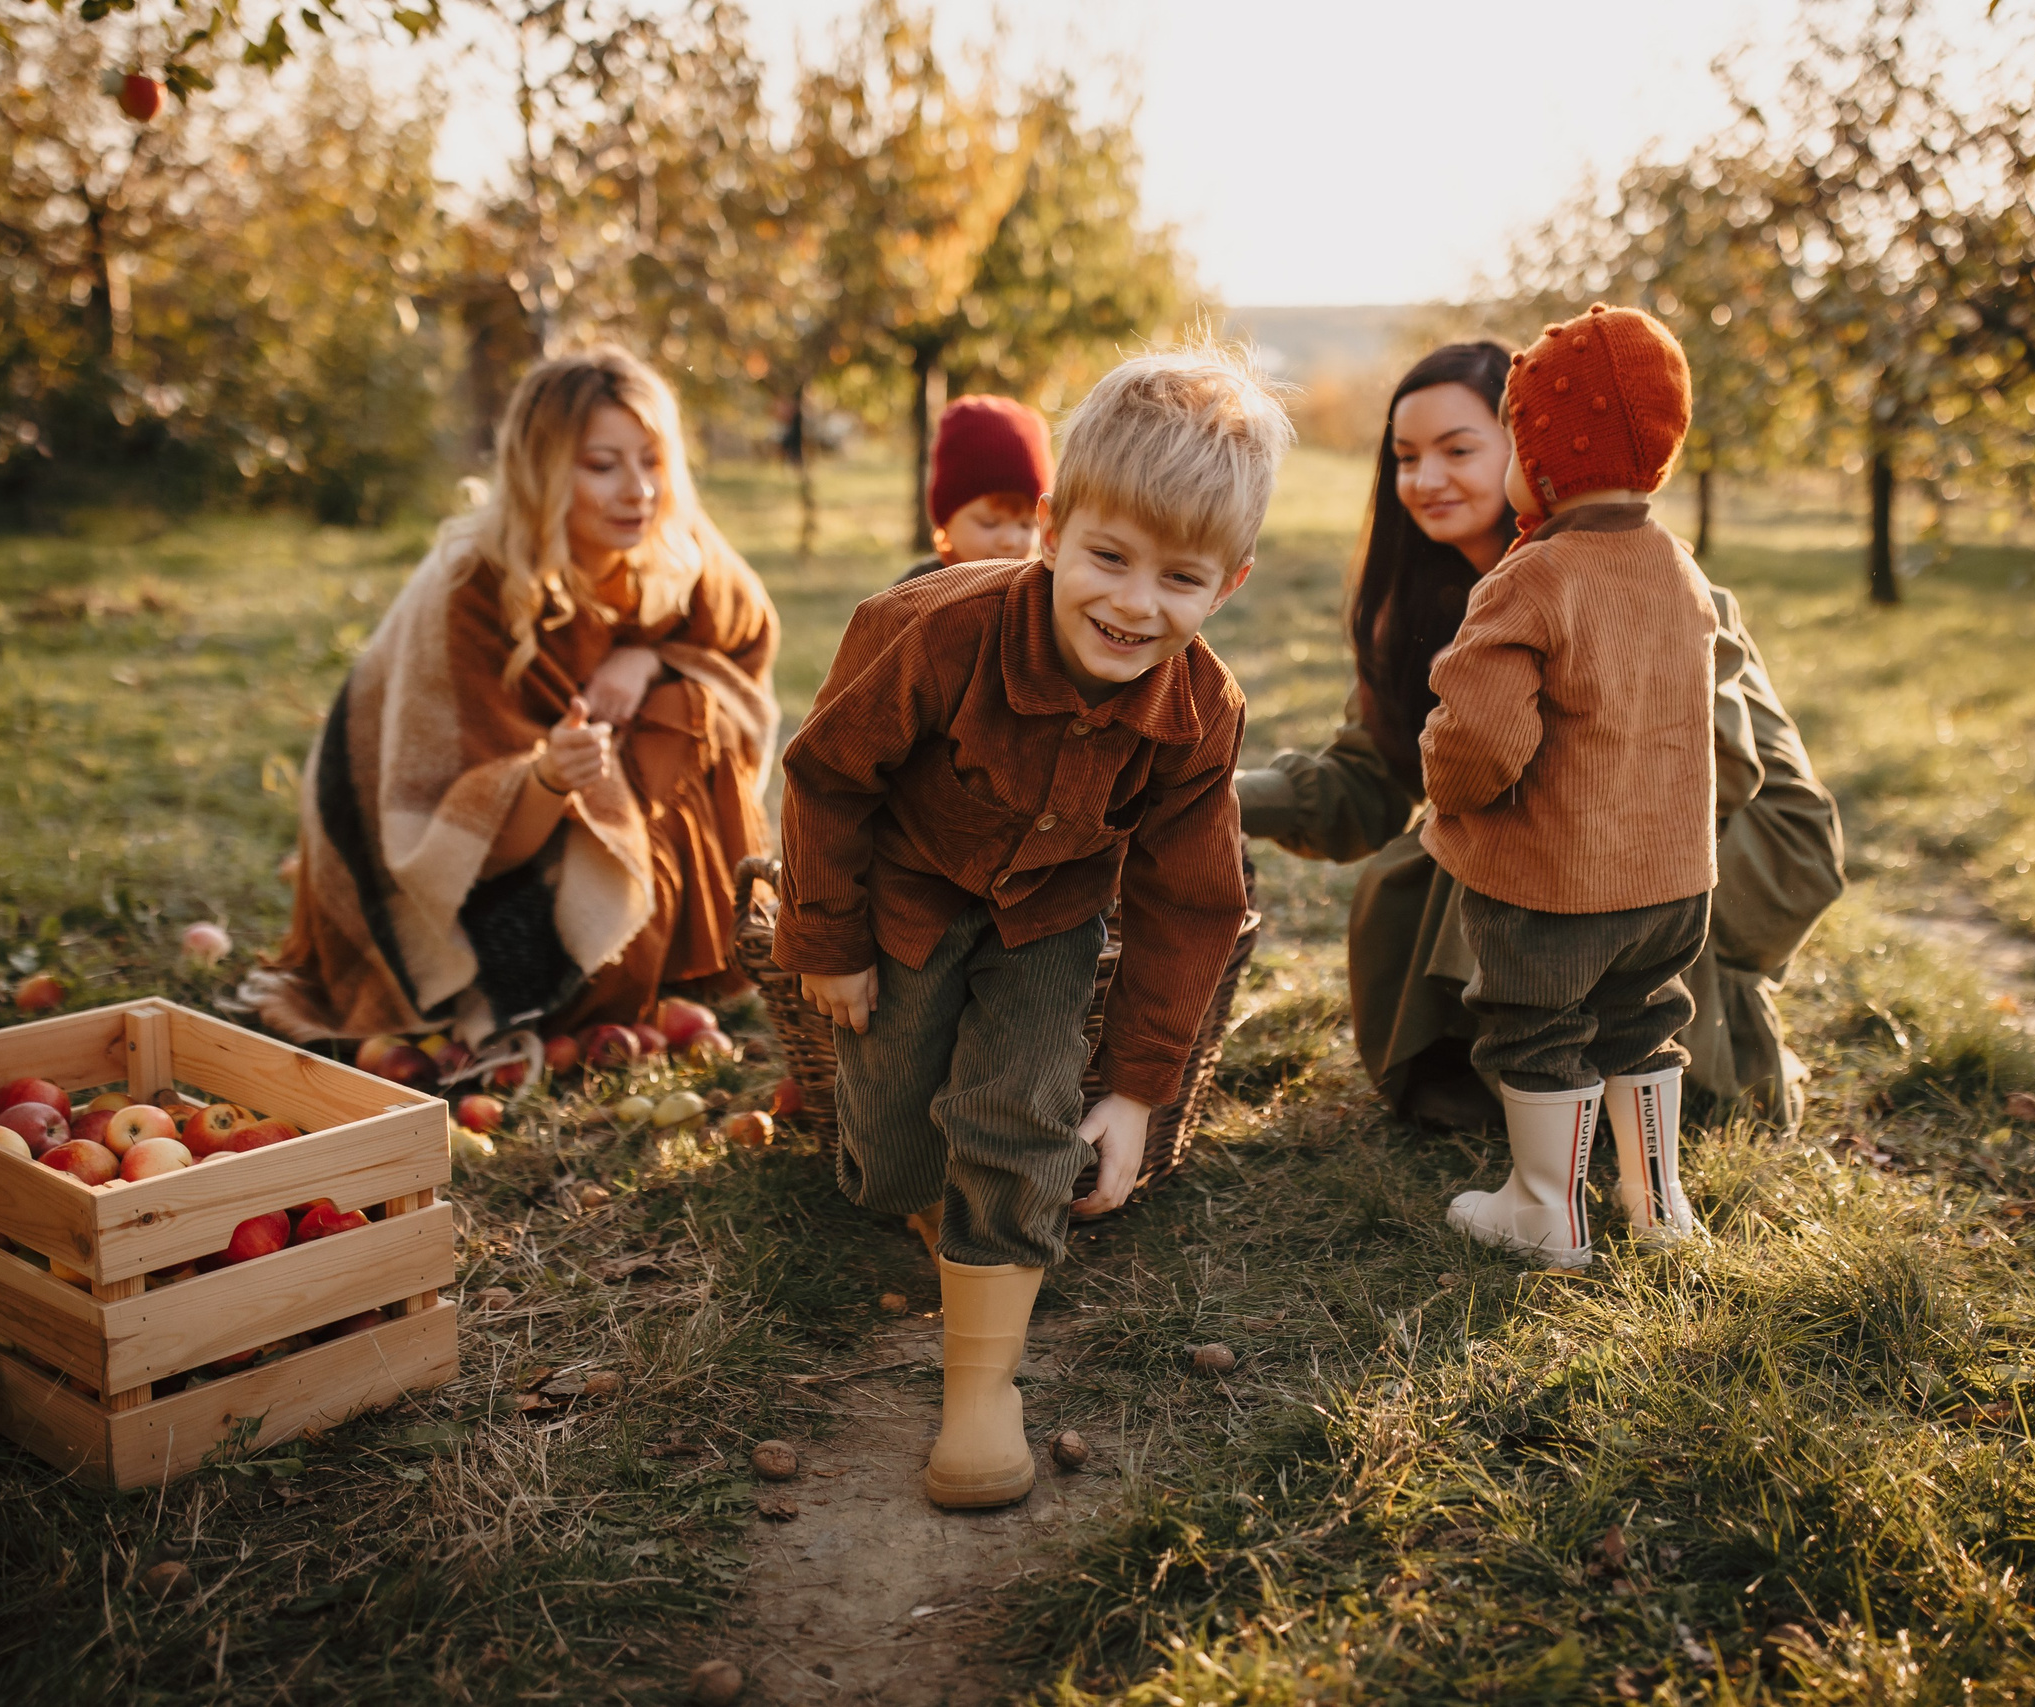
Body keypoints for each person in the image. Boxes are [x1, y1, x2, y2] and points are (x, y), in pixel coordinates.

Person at [776, 343, 1289, 1508]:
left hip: (1049, 917)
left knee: (1020, 1108)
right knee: (890, 1142)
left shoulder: (1200, 713)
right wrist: (831, 939)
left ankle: (981, 1389)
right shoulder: (927, 631)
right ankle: (935, 1208)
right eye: (1107, 557)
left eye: (1180, 579)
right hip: (909, 889)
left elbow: (1191, 898)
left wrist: (1138, 1086)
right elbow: (825, 777)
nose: (1133, 602)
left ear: (1231, 583)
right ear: (1052, 529)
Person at [1237, 342, 1843, 1137]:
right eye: (1406, 456)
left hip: (1727, 854)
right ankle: (1515, 1088)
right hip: (1591, 858)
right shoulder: (1443, 605)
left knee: (1488, 836)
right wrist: (1220, 791)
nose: (1425, 479)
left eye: (1459, 449)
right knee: (1431, 856)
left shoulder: (1655, 583)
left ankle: (1613, 1094)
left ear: (1533, 449)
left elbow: (1745, 783)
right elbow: (1370, 778)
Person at [245, 348, 780, 1053]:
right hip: (435, 843)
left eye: (651, 461)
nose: (637, 491)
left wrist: (648, 656)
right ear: (543, 471)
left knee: (686, 709)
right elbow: (452, 823)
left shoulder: (675, 550)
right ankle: (574, 977)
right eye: (601, 465)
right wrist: (550, 776)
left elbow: (745, 639)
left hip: (580, 789)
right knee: (647, 746)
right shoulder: (474, 585)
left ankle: (672, 957)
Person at [1420, 305, 1720, 1266]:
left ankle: (1545, 1210)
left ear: (1540, 460)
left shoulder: (1533, 577)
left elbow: (1483, 737)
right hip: (1675, 881)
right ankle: (1658, 1201)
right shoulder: (1680, 567)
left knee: (1537, 1029)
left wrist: (1445, 785)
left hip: (1555, 882)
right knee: (1645, 1019)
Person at [897, 394, 1055, 584]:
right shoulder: (917, 589)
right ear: (946, 521)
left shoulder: (1042, 589)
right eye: (989, 523)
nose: (1010, 541)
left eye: (1027, 524)